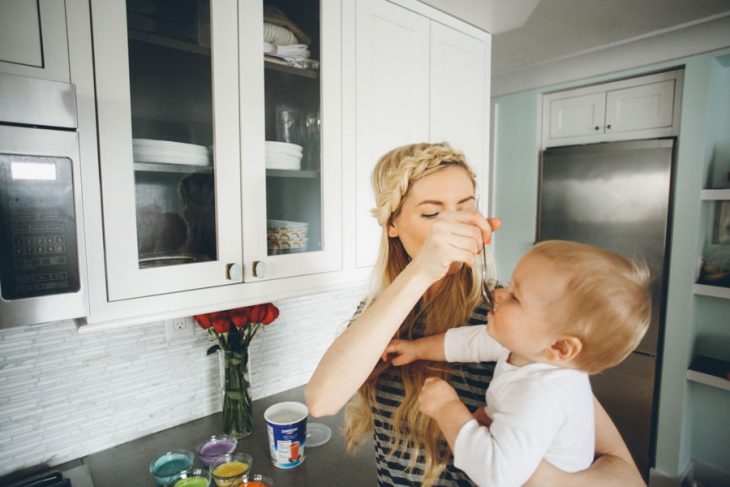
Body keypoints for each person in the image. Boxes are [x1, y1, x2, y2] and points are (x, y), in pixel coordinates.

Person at [305, 142, 645, 486]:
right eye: (432, 214)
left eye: (465, 209)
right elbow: (322, 401)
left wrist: (534, 476)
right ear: (392, 224)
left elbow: (627, 477)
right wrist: (422, 272)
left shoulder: (511, 319)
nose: (452, 228)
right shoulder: (380, 312)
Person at [381, 240, 651, 486]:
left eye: (515, 297)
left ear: (560, 346)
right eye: (510, 285)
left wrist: (446, 408)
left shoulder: (540, 394)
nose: (499, 293)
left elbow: (495, 475)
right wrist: (417, 349)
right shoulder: (532, 346)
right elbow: (472, 342)